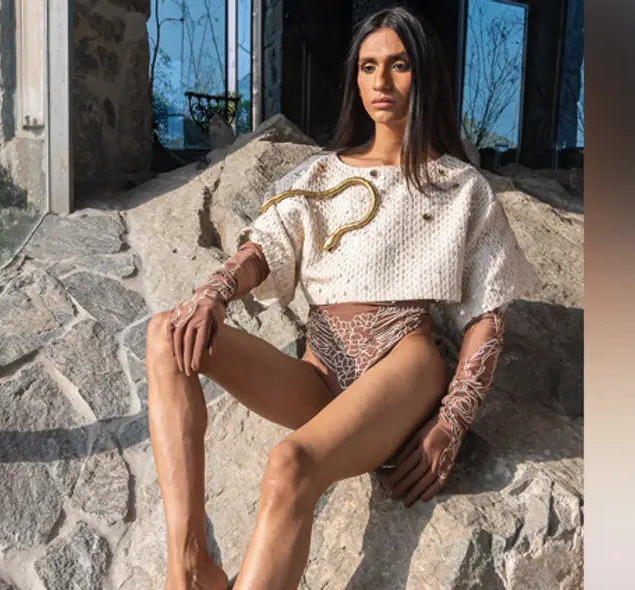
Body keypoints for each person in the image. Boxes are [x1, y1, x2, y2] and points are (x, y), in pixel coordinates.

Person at [143, 7, 539, 590]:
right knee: (166, 333)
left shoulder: (462, 188)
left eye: (398, 66)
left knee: (288, 467)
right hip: (322, 368)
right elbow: (266, 247)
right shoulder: (321, 175)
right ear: (355, 79)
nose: (381, 82)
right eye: (369, 66)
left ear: (423, 75)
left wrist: (450, 423)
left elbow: (487, 316)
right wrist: (213, 296)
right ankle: (188, 566)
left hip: (403, 368)